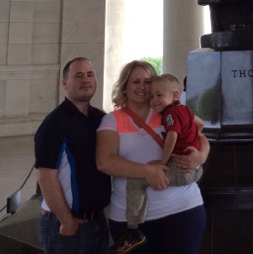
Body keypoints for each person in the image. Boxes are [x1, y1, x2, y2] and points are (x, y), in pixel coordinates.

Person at [96, 61, 208, 254]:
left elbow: (201, 132)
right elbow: (105, 162)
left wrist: (201, 156)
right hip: (130, 222)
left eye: (147, 82)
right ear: (125, 86)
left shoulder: (168, 111)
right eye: (135, 81)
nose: (142, 87)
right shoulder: (112, 120)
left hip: (183, 210)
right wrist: (147, 171)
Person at [34, 57, 111, 254]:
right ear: (65, 84)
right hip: (67, 224)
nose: (86, 79)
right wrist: (66, 220)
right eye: (78, 75)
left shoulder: (101, 119)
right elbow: (45, 177)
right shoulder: (54, 124)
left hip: (98, 222)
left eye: (90, 74)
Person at [149, 73, 204, 186]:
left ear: (175, 96)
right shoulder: (184, 109)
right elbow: (200, 124)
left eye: (159, 95)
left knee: (137, 181)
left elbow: (172, 136)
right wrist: (191, 138)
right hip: (197, 169)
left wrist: (163, 162)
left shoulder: (170, 113)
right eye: (151, 96)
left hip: (181, 169)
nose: (154, 100)